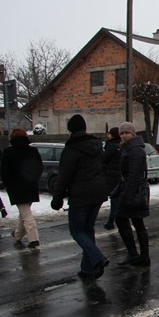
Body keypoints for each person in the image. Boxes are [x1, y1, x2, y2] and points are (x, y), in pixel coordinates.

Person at [51, 114, 109, 280]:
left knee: (77, 231)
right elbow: (102, 168)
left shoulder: (71, 149)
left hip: (80, 195)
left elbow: (64, 176)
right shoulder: (97, 146)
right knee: (87, 230)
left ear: (71, 130)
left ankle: (97, 258)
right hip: (97, 194)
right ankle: (88, 269)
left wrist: (57, 198)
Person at [114, 122, 151, 267]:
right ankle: (140, 256)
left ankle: (136, 255)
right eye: (122, 133)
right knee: (136, 222)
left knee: (123, 220)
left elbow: (134, 175)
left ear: (133, 134)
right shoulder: (129, 148)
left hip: (134, 191)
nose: (124, 135)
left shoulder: (134, 150)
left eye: (127, 133)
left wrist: (127, 196)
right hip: (131, 189)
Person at [0, 128, 43, 249]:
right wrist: (34, 179)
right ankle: (18, 235)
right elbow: (39, 166)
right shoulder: (33, 151)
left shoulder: (8, 152)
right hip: (31, 185)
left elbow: (4, 171)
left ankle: (34, 238)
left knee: (25, 213)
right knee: (24, 212)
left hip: (16, 186)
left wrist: (6, 183)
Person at [102, 127, 121, 229]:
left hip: (112, 176)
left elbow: (103, 158)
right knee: (116, 199)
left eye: (109, 134)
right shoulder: (120, 145)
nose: (107, 135)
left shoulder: (112, 147)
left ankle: (112, 221)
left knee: (114, 199)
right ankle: (113, 220)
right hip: (118, 175)